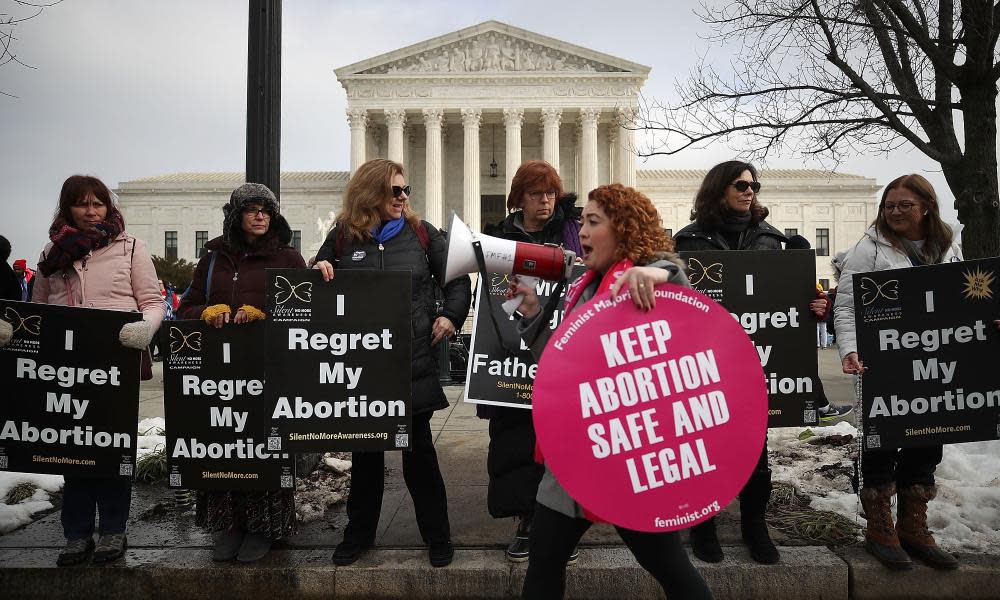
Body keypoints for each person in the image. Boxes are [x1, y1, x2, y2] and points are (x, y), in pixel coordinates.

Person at [510, 183, 712, 600]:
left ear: (623, 229)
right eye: (582, 221)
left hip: (628, 457)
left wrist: (655, 272)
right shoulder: (586, 285)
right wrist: (531, 313)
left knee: (671, 569)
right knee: (543, 570)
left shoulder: (645, 279)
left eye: (593, 222)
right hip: (573, 455)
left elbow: (676, 282)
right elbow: (562, 364)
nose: (581, 232)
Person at [313, 158, 472, 568]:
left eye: (406, 191)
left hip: (410, 359)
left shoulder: (422, 234)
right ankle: (358, 535)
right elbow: (315, 278)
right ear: (372, 194)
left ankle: (438, 537)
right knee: (365, 457)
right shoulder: (344, 238)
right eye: (395, 191)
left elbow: (458, 278)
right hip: (362, 366)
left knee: (419, 456)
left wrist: (450, 316)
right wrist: (319, 269)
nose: (403, 197)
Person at [0, 175, 165, 566]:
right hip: (64, 365)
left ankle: (112, 530)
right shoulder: (52, 252)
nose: (92, 211)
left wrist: (146, 327)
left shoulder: (130, 248)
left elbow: (154, 300)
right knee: (71, 449)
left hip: (113, 361)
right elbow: (37, 310)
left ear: (109, 207)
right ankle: (75, 534)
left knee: (110, 448)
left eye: (98, 204)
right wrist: (11, 326)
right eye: (82, 204)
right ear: (68, 208)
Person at [833, 174, 962, 571]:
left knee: (928, 440)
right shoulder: (868, 249)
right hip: (884, 362)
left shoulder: (949, 246)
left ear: (926, 206)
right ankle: (879, 527)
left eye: (904, 204)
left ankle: (913, 525)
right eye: (890, 205)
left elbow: (966, 296)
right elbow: (847, 304)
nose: (895, 211)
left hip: (936, 360)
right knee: (882, 441)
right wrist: (851, 350)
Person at [673, 160, 796, 565]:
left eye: (753, 184)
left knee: (755, 453)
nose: (750, 190)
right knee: (703, 448)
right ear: (718, 189)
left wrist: (811, 303)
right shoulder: (688, 241)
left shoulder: (770, 240)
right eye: (741, 184)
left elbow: (784, 304)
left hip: (755, 363)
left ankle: (754, 525)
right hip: (704, 363)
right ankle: (704, 524)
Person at [176, 183, 306, 563]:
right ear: (236, 215)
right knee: (227, 442)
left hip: (269, 371)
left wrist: (265, 315)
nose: (260, 215)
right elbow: (186, 306)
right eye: (251, 209)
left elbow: (306, 315)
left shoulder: (288, 259)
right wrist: (205, 313)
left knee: (265, 447)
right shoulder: (214, 258)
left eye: (266, 209)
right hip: (221, 374)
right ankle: (231, 525)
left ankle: (266, 527)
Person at [480, 160, 582, 563]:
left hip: (561, 351)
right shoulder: (499, 237)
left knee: (560, 442)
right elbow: (492, 295)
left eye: (551, 193)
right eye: (536, 194)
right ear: (518, 198)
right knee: (516, 440)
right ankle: (527, 521)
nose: (546, 200)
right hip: (514, 354)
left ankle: (561, 527)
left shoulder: (572, 231)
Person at [0, 235, 21, 301]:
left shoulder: (11, 282)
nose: (16, 271)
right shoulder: (13, 282)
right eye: (15, 269)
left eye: (19, 269)